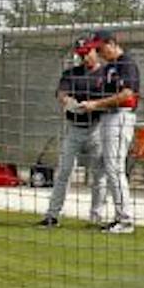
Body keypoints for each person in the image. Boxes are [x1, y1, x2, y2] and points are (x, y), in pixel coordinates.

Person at [38, 38, 111, 227]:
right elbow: (61, 94)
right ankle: (52, 215)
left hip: (97, 128)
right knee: (64, 172)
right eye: (81, 53)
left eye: (87, 52)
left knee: (99, 175)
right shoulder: (72, 73)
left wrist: (95, 105)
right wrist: (69, 103)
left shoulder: (106, 73)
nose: (84, 56)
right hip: (74, 129)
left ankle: (96, 217)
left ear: (95, 51)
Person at [90, 32, 139, 234]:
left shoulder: (126, 63)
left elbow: (128, 94)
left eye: (100, 48)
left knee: (115, 168)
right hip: (108, 117)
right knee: (108, 168)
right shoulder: (109, 66)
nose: (98, 52)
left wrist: (97, 104)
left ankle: (125, 220)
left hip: (121, 116)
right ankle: (119, 217)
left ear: (111, 44)